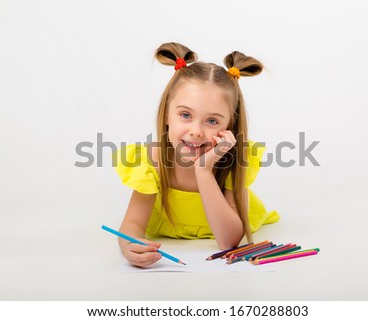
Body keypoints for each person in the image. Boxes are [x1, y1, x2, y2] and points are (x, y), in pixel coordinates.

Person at [114, 42, 279, 267]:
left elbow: (229, 242)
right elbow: (131, 224)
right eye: (185, 115)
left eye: (212, 121)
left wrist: (203, 170)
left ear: (230, 125)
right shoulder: (151, 160)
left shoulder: (234, 159)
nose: (196, 131)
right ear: (166, 115)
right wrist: (129, 247)